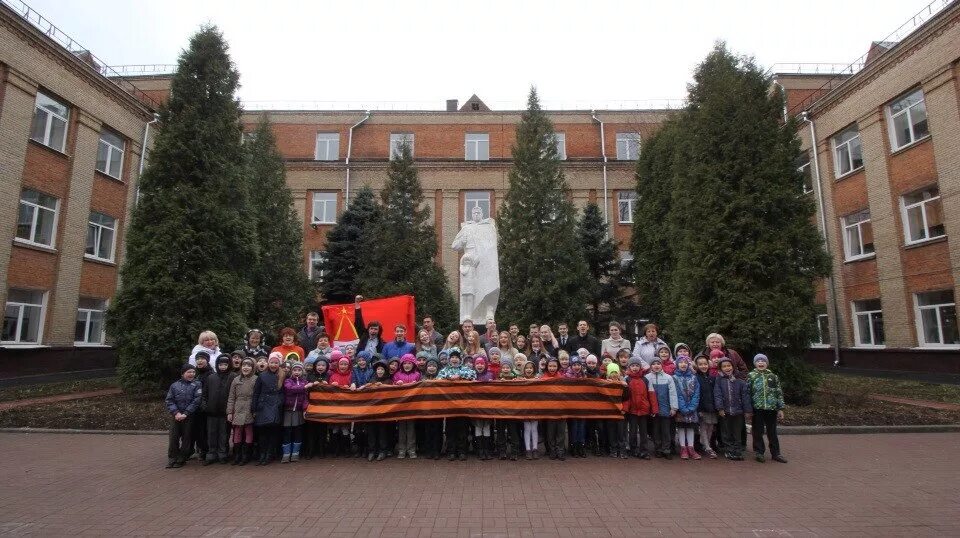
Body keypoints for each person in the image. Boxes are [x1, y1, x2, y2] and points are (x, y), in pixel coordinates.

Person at [748, 354, 787, 463]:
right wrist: (749, 408)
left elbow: (778, 393)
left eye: (763, 361)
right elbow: (748, 393)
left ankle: (776, 453)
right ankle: (759, 452)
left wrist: (780, 408)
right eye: (758, 361)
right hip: (757, 408)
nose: (761, 363)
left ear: (767, 363)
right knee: (757, 431)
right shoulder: (751, 376)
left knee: (772, 431)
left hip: (771, 408)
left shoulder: (773, 376)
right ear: (755, 363)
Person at [438, 348, 475, 460]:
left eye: (457, 357)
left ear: (460, 359)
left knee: (463, 429)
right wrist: (448, 378)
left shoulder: (466, 369)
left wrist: (460, 377)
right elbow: (438, 379)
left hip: (463, 406)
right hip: (449, 406)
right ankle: (451, 451)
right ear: (449, 359)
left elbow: (473, 376)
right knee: (450, 429)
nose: (454, 359)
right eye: (452, 357)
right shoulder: (444, 370)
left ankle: (462, 451)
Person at [713, 357, 752, 461]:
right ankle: (729, 450)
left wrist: (748, 410)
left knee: (737, 432)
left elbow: (745, 397)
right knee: (726, 432)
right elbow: (717, 395)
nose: (727, 368)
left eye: (729, 366)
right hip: (725, 412)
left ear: (733, 367)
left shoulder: (740, 381)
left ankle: (737, 451)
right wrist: (720, 408)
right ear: (720, 369)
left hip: (738, 412)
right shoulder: (719, 380)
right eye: (724, 366)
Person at [164, 364, 202, 468]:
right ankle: (172, 458)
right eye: (189, 372)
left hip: (189, 416)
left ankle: (182, 458)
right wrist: (176, 412)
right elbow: (169, 400)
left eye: (193, 372)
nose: (192, 374)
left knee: (187, 438)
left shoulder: (197, 385)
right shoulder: (174, 385)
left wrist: (186, 413)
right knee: (173, 437)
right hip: (176, 415)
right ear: (183, 373)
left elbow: (196, 401)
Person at [200, 356, 236, 465]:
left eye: (225, 365)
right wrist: (205, 406)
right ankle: (211, 454)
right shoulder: (211, 378)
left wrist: (231, 410)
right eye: (220, 365)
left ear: (229, 365)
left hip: (225, 412)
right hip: (212, 412)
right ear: (217, 365)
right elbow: (204, 395)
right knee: (211, 433)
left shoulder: (233, 377)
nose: (223, 367)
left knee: (224, 434)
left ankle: (222, 453)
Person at [252, 353, 285, 465]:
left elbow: (283, 393)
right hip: (263, 406)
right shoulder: (262, 376)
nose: (274, 365)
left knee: (272, 433)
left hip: (275, 407)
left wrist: (280, 402)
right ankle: (262, 454)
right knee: (262, 433)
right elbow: (256, 393)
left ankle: (269, 455)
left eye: (276, 363)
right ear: (268, 363)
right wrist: (254, 408)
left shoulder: (282, 375)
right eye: (272, 362)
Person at [624, 357, 656, 459]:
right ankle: (633, 450)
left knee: (643, 432)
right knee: (632, 432)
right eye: (633, 365)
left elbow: (651, 394)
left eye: (637, 365)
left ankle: (644, 451)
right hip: (632, 410)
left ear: (640, 367)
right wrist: (625, 409)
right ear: (629, 367)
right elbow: (624, 396)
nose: (635, 368)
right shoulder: (626, 379)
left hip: (643, 410)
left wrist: (654, 409)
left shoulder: (645, 379)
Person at [645, 357, 678, 459]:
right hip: (653, 410)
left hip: (666, 408)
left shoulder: (668, 378)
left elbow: (673, 393)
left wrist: (674, 407)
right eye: (654, 364)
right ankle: (658, 449)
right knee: (656, 431)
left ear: (661, 365)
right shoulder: (647, 377)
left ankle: (666, 449)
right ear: (651, 366)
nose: (656, 366)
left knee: (666, 431)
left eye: (658, 363)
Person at [227, 358, 257, 465]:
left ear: (253, 368)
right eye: (244, 365)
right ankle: (237, 455)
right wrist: (230, 412)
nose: (246, 367)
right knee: (237, 431)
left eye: (249, 365)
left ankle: (246, 455)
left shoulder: (256, 379)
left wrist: (255, 410)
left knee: (249, 431)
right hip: (238, 407)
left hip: (250, 407)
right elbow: (231, 397)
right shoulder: (236, 380)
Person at [362, 359, 392, 461]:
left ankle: (382, 451)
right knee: (371, 431)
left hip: (383, 412)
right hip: (372, 412)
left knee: (382, 432)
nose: (380, 371)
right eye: (378, 369)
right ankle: (372, 451)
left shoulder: (389, 381)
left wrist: (384, 386)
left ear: (385, 370)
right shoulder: (371, 380)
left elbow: (393, 392)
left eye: (382, 369)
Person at [393, 354, 421, 459]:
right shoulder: (397, 374)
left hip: (412, 406)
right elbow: (392, 387)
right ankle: (402, 449)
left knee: (411, 428)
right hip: (401, 406)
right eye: (405, 363)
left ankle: (411, 449)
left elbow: (421, 387)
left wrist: (416, 384)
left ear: (413, 364)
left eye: (409, 363)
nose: (407, 365)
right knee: (401, 428)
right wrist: (396, 383)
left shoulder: (417, 375)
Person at [673, 356, 701, 460]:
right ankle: (683, 448)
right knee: (681, 427)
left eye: (685, 362)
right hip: (681, 409)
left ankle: (691, 448)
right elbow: (677, 393)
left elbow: (696, 393)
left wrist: (692, 407)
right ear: (677, 364)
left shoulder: (694, 377)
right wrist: (683, 407)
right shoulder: (674, 378)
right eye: (681, 362)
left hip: (692, 408)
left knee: (690, 427)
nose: (683, 364)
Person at [281, 362, 308, 463]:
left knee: (298, 432)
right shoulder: (288, 381)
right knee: (287, 432)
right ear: (291, 371)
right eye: (295, 370)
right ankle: (286, 454)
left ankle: (295, 454)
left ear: (302, 371)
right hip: (288, 411)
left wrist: (305, 409)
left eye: (299, 370)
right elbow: (290, 389)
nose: (297, 372)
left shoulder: (305, 382)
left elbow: (306, 398)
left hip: (298, 411)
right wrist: (304, 387)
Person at [303, 358, 329, 459]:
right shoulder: (310, 376)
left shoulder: (328, 376)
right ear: (315, 366)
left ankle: (322, 450)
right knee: (311, 430)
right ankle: (311, 451)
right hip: (312, 406)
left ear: (326, 367)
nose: (320, 367)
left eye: (323, 365)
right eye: (318, 365)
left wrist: (329, 385)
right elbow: (305, 390)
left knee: (322, 430)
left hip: (324, 407)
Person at [694, 354, 719, 459]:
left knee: (711, 427)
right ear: (697, 366)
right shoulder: (695, 378)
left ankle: (705, 443)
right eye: (700, 364)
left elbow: (716, 392)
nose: (703, 366)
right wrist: (698, 408)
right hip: (702, 407)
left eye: (705, 364)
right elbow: (695, 394)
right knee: (703, 427)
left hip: (712, 407)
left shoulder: (712, 378)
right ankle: (708, 447)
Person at [495, 356, 520, 461]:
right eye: (504, 367)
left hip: (512, 410)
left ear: (511, 368)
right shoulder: (497, 379)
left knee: (513, 432)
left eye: (508, 367)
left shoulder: (516, 379)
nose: (506, 369)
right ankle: (502, 451)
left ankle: (514, 452)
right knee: (500, 432)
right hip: (500, 410)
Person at [191, 353, 213, 462]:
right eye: (197, 359)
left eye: (202, 359)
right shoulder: (195, 373)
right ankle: (199, 450)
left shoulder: (210, 374)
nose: (199, 361)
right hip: (195, 407)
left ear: (207, 360)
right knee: (197, 431)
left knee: (205, 431)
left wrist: (205, 406)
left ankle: (205, 451)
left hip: (204, 408)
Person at [420, 358, 444, 459]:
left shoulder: (442, 378)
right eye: (429, 366)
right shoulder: (422, 378)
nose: (431, 368)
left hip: (438, 409)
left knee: (437, 430)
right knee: (427, 430)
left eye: (434, 366)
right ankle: (428, 450)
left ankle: (437, 450)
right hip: (426, 408)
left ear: (437, 367)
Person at [604, 363, 629, 459]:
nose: (614, 375)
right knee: (611, 432)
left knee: (621, 432)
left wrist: (624, 409)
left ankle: (622, 450)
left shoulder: (623, 385)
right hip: (610, 413)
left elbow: (627, 399)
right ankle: (613, 449)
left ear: (619, 373)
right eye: (612, 372)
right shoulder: (605, 385)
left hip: (620, 412)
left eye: (616, 372)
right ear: (608, 374)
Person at [472, 357, 495, 460]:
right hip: (476, 406)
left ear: (485, 364)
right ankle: (479, 450)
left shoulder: (490, 375)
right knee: (478, 426)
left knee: (486, 426)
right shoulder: (471, 375)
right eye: (477, 363)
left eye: (482, 363)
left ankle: (487, 450)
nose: (480, 365)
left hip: (487, 406)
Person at [520, 361, 539, 460]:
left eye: (531, 368)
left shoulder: (537, 379)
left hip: (535, 408)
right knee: (527, 428)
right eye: (527, 368)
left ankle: (535, 448)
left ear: (534, 369)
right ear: (523, 369)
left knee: (534, 428)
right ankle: (528, 449)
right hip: (525, 408)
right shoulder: (520, 379)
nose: (529, 370)